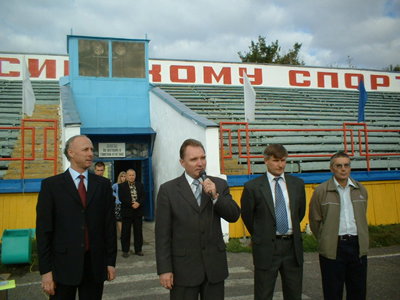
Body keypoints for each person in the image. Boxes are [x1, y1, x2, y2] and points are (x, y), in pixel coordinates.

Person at [155, 138, 241, 300]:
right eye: (194, 159)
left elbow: (234, 215)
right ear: (182, 162)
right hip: (183, 269)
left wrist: (215, 197)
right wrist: (164, 269)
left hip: (214, 268)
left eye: (203, 158)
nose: (200, 163)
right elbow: (162, 234)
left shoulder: (219, 185)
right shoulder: (168, 190)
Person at [36, 135, 117, 300]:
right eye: (85, 149)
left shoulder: (103, 185)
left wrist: (110, 262)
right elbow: (44, 231)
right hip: (62, 266)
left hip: (94, 265)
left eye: (92, 150)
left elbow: (109, 226)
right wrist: (46, 271)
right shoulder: (51, 186)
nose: (90, 154)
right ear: (71, 152)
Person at [240, 144, 306, 300]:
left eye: (283, 160)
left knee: (294, 293)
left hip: (292, 247)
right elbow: (248, 216)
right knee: (263, 294)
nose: (280, 165)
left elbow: (299, 213)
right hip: (266, 247)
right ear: (266, 160)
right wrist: (261, 235)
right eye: (276, 160)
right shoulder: (253, 186)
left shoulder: (297, 184)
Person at [309, 152, 369, 300]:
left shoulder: (361, 189)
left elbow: (362, 216)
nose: (343, 169)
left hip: (357, 246)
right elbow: (315, 220)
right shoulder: (321, 191)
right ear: (331, 168)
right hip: (333, 247)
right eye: (339, 166)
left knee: (357, 290)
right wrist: (326, 238)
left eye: (346, 165)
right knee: (332, 291)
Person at [119, 169, 146, 258]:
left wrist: (138, 203)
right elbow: (122, 198)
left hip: (138, 212)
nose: (131, 177)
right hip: (127, 212)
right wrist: (132, 204)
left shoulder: (140, 185)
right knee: (125, 232)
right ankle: (125, 250)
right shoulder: (122, 186)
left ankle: (138, 249)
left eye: (133, 175)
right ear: (126, 176)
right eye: (130, 175)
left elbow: (143, 196)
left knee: (138, 231)